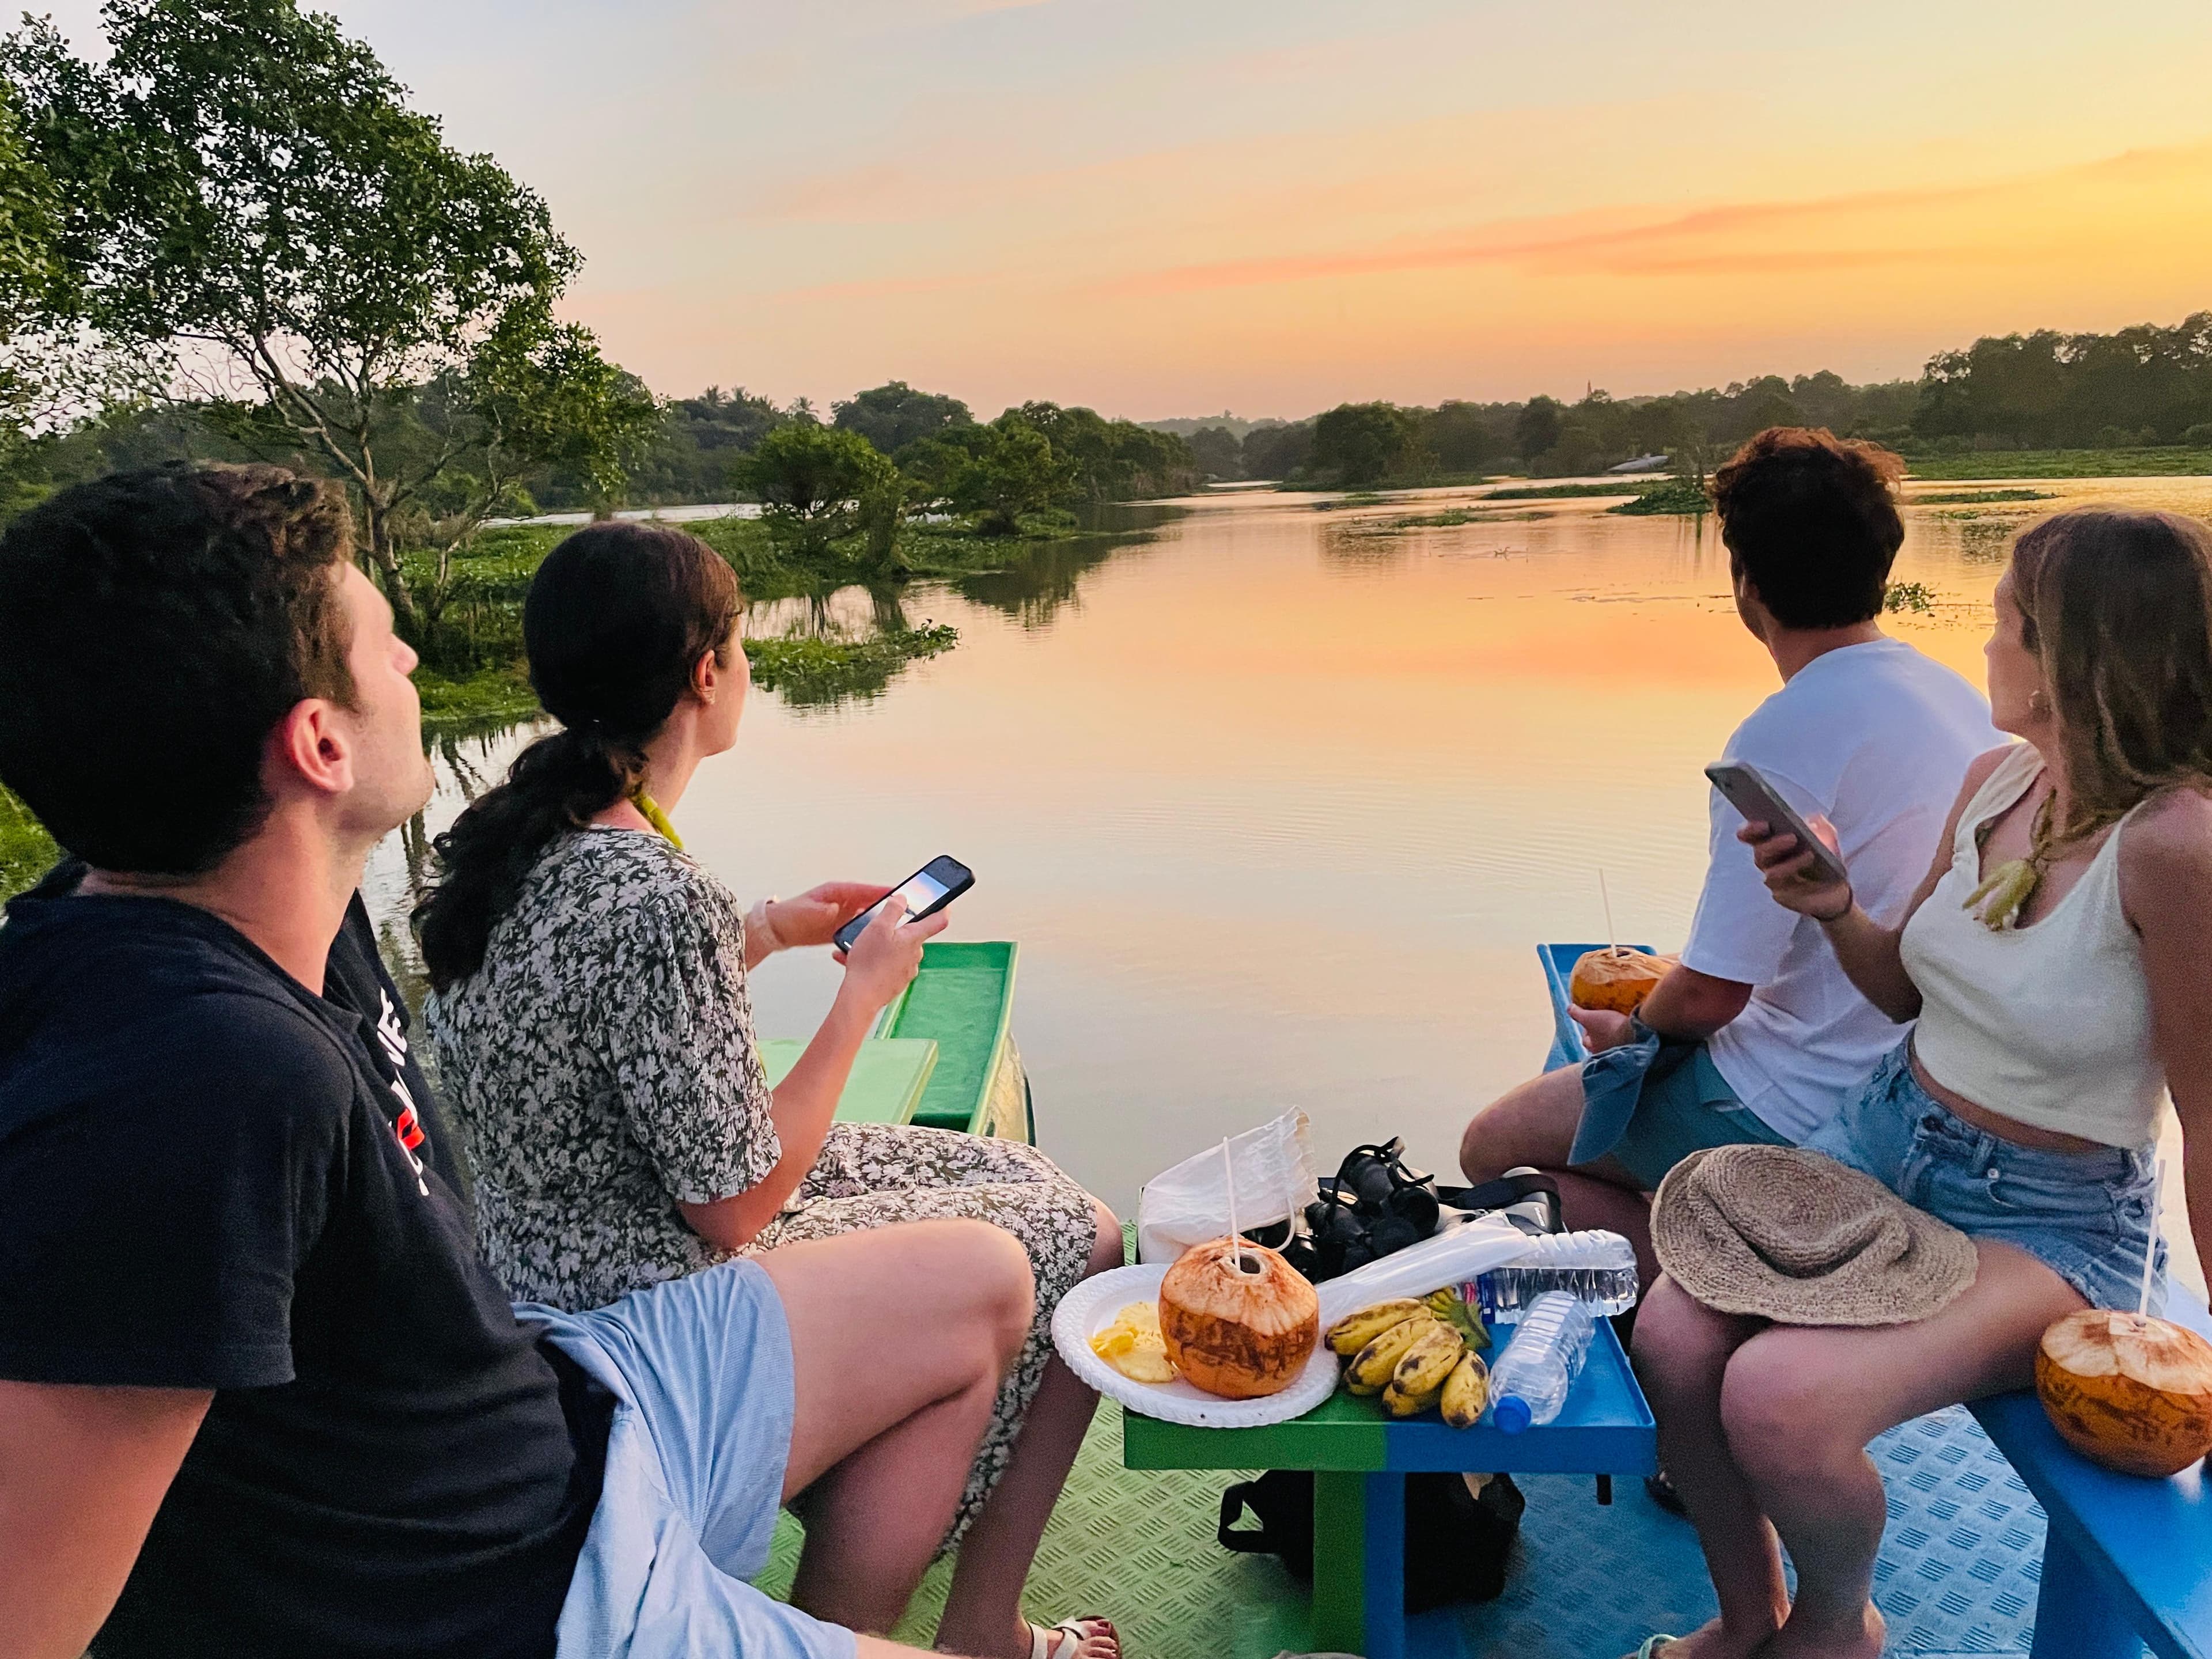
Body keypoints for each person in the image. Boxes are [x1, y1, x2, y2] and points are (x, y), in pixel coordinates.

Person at [0, 464, 1049, 1659]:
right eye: (388, 646)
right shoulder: (192, 1080)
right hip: (535, 1587)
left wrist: (750, 935)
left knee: (986, 1277)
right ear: (319, 745)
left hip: (572, 1398)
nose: (411, 668)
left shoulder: (252, 916)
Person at [412, 520, 1122, 1659]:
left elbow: (586, 1026)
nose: (746, 669)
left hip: (555, 1263)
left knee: (1046, 1201)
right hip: (645, 1303)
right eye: (741, 647)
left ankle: (978, 1624)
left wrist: (768, 931)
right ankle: (860, 1635)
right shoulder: (651, 891)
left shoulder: (504, 847)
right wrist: (862, 998)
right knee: (1062, 1239)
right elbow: (735, 1203)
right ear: (704, 673)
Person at [1633, 507, 2212, 1659]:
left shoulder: (2177, 850)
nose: (1984, 642)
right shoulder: (2000, 784)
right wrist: (1835, 904)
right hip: (1889, 1133)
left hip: (2047, 1219)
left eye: (2007, 620)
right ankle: (1749, 1622)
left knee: (1782, 1403)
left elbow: (2210, 1117)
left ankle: (1837, 1629)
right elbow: (1907, 994)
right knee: (1673, 1336)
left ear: (2073, 656)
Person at [1460, 428, 1995, 1280]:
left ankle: (1702, 1274)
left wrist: (1633, 1029)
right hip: (1918, 1080)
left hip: (1799, 1098)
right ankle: (1703, 1240)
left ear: (1746, 585)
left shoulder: (1778, 739)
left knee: (1493, 1149)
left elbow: (1711, 996)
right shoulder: (1953, 694)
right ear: (1881, 565)